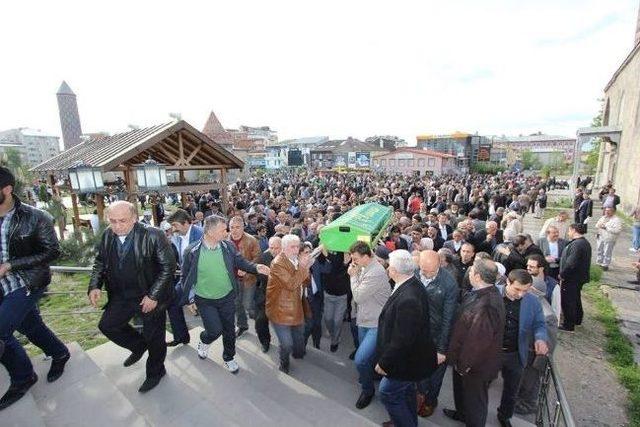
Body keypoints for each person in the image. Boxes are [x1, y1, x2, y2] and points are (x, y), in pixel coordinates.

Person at [0, 167, 70, 410]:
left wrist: (11, 265)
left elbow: (52, 251)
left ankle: (23, 377)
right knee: (30, 325)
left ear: (7, 190)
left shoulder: (35, 217)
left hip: (27, 282)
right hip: (2, 287)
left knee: (1, 333)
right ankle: (59, 353)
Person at [89, 201, 176, 393]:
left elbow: (168, 267)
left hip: (150, 296)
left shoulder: (154, 235)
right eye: (113, 221)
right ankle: (138, 346)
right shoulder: (107, 235)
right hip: (121, 295)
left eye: (123, 221)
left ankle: (155, 373)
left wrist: (153, 295)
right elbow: (100, 262)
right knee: (107, 325)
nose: (117, 226)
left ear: (135, 218)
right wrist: (95, 285)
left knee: (155, 337)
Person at [179, 214, 269, 373]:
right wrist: (190, 299)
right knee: (214, 330)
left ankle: (229, 356)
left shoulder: (228, 247)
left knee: (229, 330)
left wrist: (255, 268)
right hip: (205, 300)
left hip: (227, 297)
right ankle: (204, 340)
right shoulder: (191, 251)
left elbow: (240, 262)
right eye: (223, 230)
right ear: (210, 231)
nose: (227, 232)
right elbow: (185, 277)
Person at [375, 250, 437, 427]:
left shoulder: (409, 297)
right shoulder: (411, 283)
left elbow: (402, 339)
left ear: (394, 270)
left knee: (387, 393)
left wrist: (384, 362)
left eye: (389, 266)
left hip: (406, 362)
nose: (387, 269)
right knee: (407, 392)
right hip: (411, 360)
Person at [443, 258, 506, 427]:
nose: (468, 274)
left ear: (477, 276)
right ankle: (462, 414)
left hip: (475, 367)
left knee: (475, 403)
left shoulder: (487, 304)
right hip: (464, 361)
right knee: (463, 396)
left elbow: (478, 342)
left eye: (471, 271)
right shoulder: (480, 293)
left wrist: (464, 366)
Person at [496, 269, 549, 427]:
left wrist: (540, 339)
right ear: (508, 282)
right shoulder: (493, 294)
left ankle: (504, 416)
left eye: (525, 291)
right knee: (481, 385)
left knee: (512, 390)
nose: (520, 294)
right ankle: (472, 414)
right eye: (517, 289)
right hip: (491, 352)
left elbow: (540, 324)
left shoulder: (532, 302)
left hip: (515, 354)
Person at [347, 241, 391, 410]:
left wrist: (352, 276)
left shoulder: (376, 272)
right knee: (367, 359)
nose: (353, 261)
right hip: (363, 320)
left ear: (366, 256)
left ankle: (368, 390)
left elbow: (358, 296)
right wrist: (357, 273)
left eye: (355, 258)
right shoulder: (365, 266)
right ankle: (370, 376)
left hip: (375, 323)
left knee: (360, 360)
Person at [416, 250, 458, 418]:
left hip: (436, 336)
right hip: (417, 334)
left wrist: (441, 349)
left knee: (435, 375)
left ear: (440, 265)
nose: (425, 274)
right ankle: (419, 396)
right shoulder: (415, 273)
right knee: (418, 370)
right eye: (423, 270)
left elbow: (448, 319)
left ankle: (430, 401)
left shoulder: (449, 283)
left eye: (430, 271)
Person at [266, 234, 312, 373]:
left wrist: (304, 268)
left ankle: (298, 353)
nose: (296, 250)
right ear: (284, 248)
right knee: (286, 343)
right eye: (293, 247)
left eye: (298, 246)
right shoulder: (278, 262)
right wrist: (304, 267)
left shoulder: (296, 259)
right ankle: (284, 362)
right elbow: (291, 284)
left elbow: (305, 282)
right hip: (280, 310)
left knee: (299, 336)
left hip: (297, 307)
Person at [166, 209, 203, 346]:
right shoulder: (178, 236)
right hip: (185, 279)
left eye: (175, 225)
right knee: (172, 303)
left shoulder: (200, 235)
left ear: (186, 222)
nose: (173, 229)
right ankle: (181, 336)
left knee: (212, 323)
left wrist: (191, 296)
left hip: (202, 281)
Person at [228, 216, 262, 337]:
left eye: (237, 227)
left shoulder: (252, 240)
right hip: (232, 279)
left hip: (249, 279)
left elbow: (258, 257)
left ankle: (260, 318)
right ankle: (242, 325)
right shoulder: (225, 240)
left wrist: (247, 270)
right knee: (237, 303)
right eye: (232, 227)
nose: (234, 230)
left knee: (247, 305)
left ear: (243, 227)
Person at [558, 224, 592, 331]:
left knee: (568, 300)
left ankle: (569, 324)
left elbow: (571, 263)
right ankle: (577, 318)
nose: (568, 233)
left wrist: (562, 274)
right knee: (576, 298)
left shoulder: (577, 244)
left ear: (573, 230)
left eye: (569, 231)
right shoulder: (584, 243)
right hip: (579, 277)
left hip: (572, 278)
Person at [255, 236, 282, 352]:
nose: (274, 251)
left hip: (284, 298)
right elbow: (258, 276)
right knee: (260, 322)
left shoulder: (289, 258)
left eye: (277, 248)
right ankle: (265, 342)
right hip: (266, 296)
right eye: (272, 248)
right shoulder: (263, 257)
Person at [304, 242, 331, 350]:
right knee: (307, 324)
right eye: (306, 253)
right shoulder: (297, 265)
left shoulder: (315, 263)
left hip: (316, 297)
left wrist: (326, 256)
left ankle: (316, 341)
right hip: (303, 300)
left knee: (317, 323)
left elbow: (328, 269)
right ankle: (303, 342)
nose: (309, 255)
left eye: (310, 252)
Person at [323, 251, 351, 352]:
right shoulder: (327, 251)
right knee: (328, 319)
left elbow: (343, 271)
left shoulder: (350, 255)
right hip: (328, 293)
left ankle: (335, 340)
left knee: (337, 321)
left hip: (341, 295)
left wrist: (346, 263)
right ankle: (332, 333)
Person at [526, 254, 562, 322]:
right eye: (527, 265)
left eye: (531, 266)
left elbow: (556, 309)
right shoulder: (524, 280)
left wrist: (553, 328)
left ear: (541, 268)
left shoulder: (553, 285)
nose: (528, 268)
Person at [595, 207, 623, 271]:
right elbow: (597, 225)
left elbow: (618, 230)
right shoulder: (603, 217)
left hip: (609, 238)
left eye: (609, 211)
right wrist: (598, 225)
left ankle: (605, 265)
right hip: (600, 236)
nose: (607, 212)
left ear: (613, 212)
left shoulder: (616, 220)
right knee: (599, 250)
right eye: (606, 211)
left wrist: (606, 228)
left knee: (607, 252)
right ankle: (599, 262)